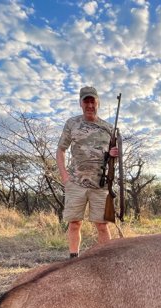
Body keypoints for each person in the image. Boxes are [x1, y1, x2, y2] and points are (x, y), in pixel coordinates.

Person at [56, 86, 119, 258]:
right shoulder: (72, 123)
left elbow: (113, 158)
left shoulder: (108, 128)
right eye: (86, 101)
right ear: (80, 103)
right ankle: (73, 259)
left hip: (100, 184)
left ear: (98, 102)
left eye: (93, 101)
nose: (90, 105)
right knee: (75, 223)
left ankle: (107, 261)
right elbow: (60, 150)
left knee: (102, 225)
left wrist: (114, 154)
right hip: (75, 183)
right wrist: (65, 178)